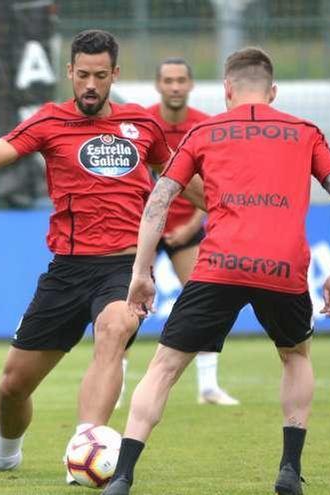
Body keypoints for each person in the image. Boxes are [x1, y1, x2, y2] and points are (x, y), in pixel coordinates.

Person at [102, 47, 330, 495]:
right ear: (272, 91)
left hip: (219, 265)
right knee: (295, 356)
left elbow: (160, 198)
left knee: (163, 367)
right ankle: (288, 470)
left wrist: (141, 272)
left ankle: (122, 475)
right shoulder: (304, 132)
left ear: (227, 89)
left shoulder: (205, 131)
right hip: (283, 267)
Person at [0, 30, 191, 484]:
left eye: (100, 76)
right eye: (82, 74)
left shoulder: (142, 125)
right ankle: (7, 453)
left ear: (114, 75)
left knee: (114, 330)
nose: (90, 84)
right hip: (67, 269)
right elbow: (4, 148)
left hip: (124, 267)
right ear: (69, 72)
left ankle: (87, 447)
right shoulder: (49, 121)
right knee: (12, 386)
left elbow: (180, 175)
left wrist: (223, 200)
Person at [122, 57, 240, 407]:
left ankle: (208, 386)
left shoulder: (205, 126)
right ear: (158, 85)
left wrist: (191, 225)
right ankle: (116, 386)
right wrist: (148, 226)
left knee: (202, 300)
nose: (175, 86)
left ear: (190, 85)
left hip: (188, 228)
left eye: (181, 80)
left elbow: (214, 187)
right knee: (125, 302)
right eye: (168, 80)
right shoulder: (141, 123)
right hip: (144, 227)